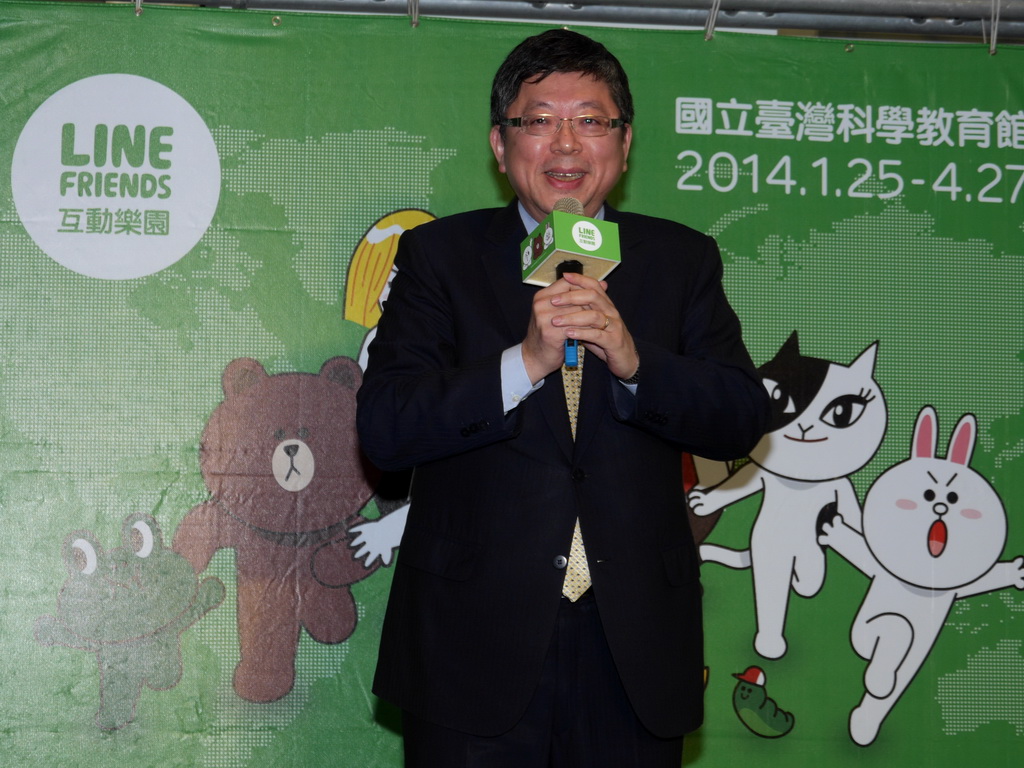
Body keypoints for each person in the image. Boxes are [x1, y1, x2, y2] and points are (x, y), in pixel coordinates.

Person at [356, 28, 770, 768]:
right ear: (501, 143)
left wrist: (636, 361)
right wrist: (524, 363)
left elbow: (741, 416)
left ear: (624, 142)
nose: (566, 143)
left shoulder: (680, 260)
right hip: (473, 646)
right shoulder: (440, 257)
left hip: (633, 649)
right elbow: (387, 428)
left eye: (591, 120)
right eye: (540, 120)